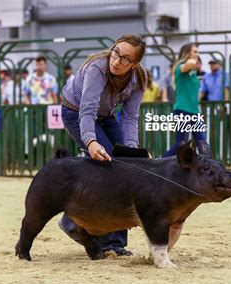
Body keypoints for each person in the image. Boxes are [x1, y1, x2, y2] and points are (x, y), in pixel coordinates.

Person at [58, 34, 147, 257]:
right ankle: (71, 221)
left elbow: (130, 118)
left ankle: (116, 243)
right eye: (116, 52)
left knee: (126, 168)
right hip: (75, 111)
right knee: (107, 167)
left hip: (106, 115)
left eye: (125, 58)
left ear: (135, 64)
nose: (117, 60)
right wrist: (91, 141)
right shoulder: (97, 68)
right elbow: (87, 110)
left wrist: (131, 152)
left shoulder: (139, 79)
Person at [163, 43, 211, 158]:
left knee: (202, 143)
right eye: (195, 52)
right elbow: (190, 64)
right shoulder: (180, 67)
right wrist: (194, 61)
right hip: (182, 110)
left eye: (197, 52)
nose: (197, 54)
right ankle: (159, 164)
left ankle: (209, 170)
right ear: (187, 53)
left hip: (195, 112)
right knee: (181, 144)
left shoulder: (193, 73)